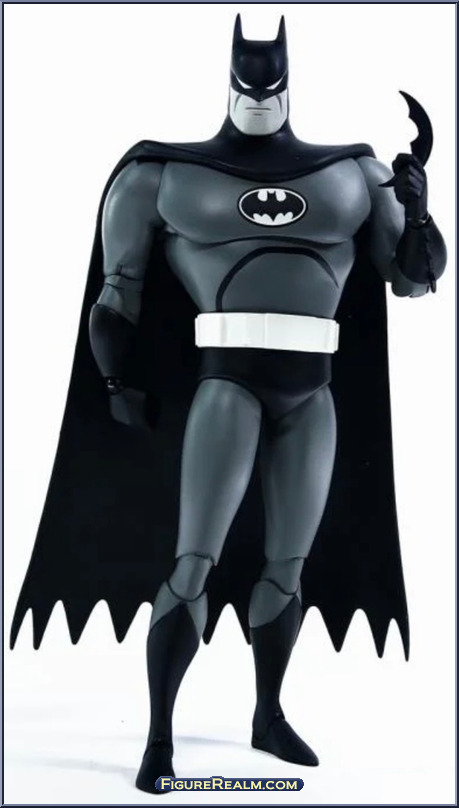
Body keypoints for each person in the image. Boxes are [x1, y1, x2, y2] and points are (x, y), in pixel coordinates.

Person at [11, 16, 446, 794]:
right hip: (225, 384)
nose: (258, 94)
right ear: (229, 82)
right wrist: (114, 382)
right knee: (193, 562)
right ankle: (158, 739)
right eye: (248, 81)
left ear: (288, 84)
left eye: (269, 82)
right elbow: (117, 294)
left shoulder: (354, 174)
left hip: (313, 392)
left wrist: (416, 209)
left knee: (288, 565)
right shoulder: (162, 174)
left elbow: (414, 281)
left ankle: (267, 715)